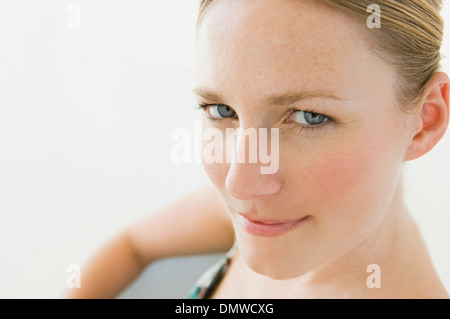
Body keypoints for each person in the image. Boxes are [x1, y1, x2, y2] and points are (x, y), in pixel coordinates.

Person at [63, 0, 450, 299]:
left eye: (309, 117)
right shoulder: (270, 217)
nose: (239, 184)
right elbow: (132, 246)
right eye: (221, 110)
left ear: (425, 121)